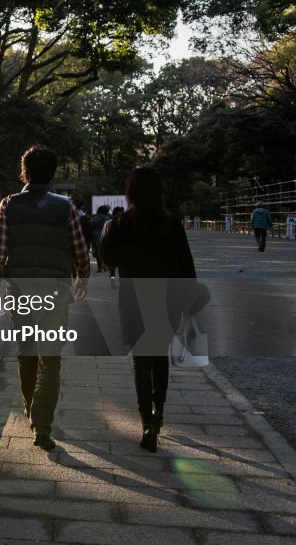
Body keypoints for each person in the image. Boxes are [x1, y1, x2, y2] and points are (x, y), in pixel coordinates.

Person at [0, 145, 89, 451]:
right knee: (51, 357)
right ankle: (42, 426)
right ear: (53, 172)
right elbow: (78, 248)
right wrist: (82, 276)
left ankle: (32, 411)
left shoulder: (9, 204)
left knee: (27, 352)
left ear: (25, 172)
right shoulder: (66, 207)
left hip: (18, 289)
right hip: (55, 290)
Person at [100, 167, 197, 453]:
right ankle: (159, 414)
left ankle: (146, 422)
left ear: (131, 192)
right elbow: (185, 265)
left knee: (141, 361)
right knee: (159, 357)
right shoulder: (172, 224)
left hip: (133, 299)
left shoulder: (120, 223)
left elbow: (107, 257)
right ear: (158, 191)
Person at [104, 206, 125, 288]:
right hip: (122, 246)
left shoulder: (108, 222)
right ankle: (121, 279)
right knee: (121, 264)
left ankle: (112, 277)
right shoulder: (126, 222)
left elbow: (104, 235)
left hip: (111, 246)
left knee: (112, 264)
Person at [90, 206, 112, 272]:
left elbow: (91, 225)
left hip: (96, 235)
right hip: (105, 234)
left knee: (97, 251)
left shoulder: (95, 217)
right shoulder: (107, 218)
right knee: (105, 251)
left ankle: (99, 267)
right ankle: (105, 265)